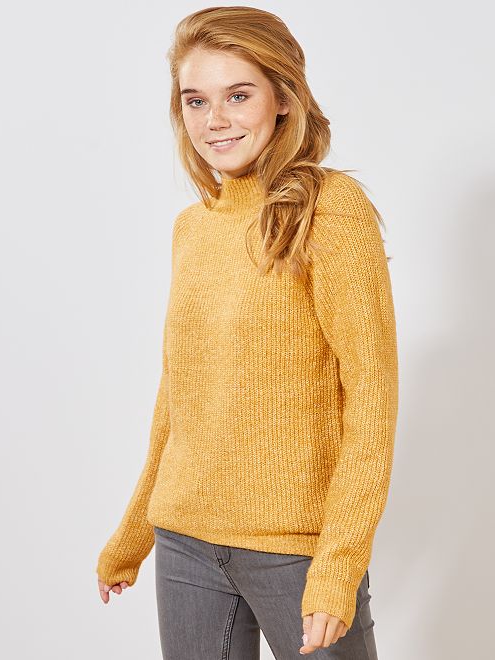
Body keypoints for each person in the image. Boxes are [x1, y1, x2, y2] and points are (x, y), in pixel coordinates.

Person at [95, 6, 399, 659]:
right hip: (185, 544)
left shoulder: (328, 208)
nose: (215, 119)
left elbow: (371, 399)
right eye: (195, 100)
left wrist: (339, 563)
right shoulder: (192, 227)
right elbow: (179, 395)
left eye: (238, 95)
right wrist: (135, 531)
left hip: (295, 550)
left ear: (284, 97)